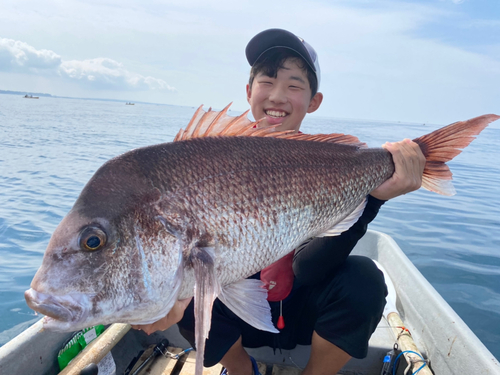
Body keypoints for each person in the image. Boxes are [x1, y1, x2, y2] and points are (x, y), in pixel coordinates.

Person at [132, 29, 425, 375]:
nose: (277, 96)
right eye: (266, 81)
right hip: (240, 315)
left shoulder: (326, 162)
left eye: (294, 85)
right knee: (195, 288)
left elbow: (309, 269)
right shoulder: (204, 159)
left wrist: (374, 198)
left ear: (313, 101)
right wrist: (157, 299)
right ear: (248, 91)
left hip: (301, 309)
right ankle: (243, 370)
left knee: (364, 280)